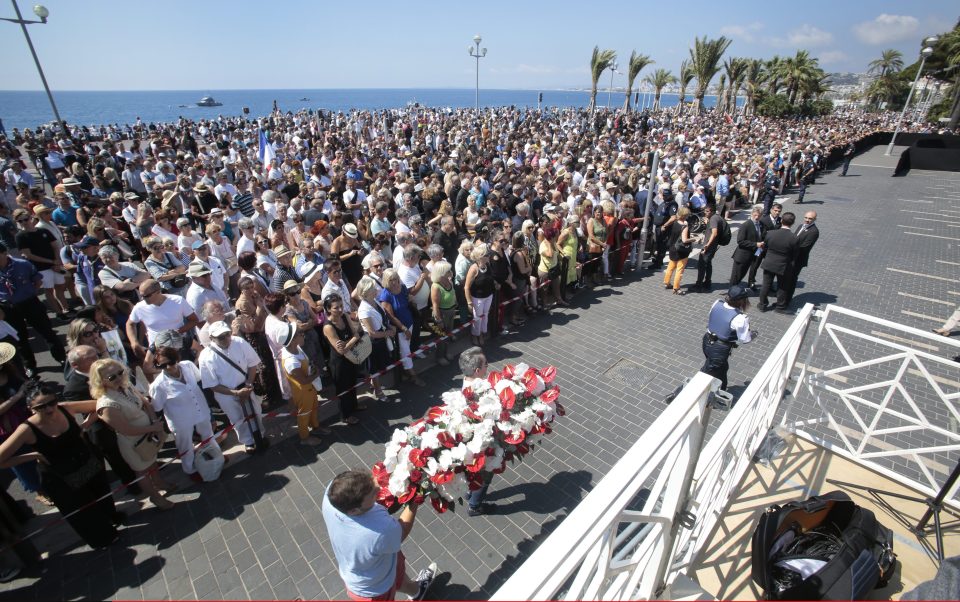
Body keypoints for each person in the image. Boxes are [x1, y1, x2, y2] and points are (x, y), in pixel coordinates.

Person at [0, 381, 121, 548]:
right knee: (84, 514)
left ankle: (111, 519)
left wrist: (85, 424)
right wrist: (32, 456)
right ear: (31, 408)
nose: (49, 409)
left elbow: (100, 404)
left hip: (87, 465)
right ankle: (103, 538)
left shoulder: (65, 408)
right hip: (61, 479)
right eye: (41, 407)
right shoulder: (26, 429)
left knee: (102, 498)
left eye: (52, 403)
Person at [321, 469, 437, 601]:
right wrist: (415, 498)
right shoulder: (379, 530)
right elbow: (402, 530)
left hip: (381, 559)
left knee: (397, 575)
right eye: (373, 495)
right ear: (354, 510)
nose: (378, 488)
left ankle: (417, 592)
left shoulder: (332, 492)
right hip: (374, 588)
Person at [91, 358, 175, 510]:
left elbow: (145, 402)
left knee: (153, 461)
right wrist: (152, 428)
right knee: (142, 470)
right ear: (101, 381)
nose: (118, 377)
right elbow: (125, 429)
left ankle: (160, 483)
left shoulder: (126, 385)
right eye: (112, 377)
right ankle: (155, 497)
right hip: (133, 443)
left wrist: (154, 421)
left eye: (120, 372)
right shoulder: (106, 404)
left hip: (149, 434)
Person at [149, 346, 221, 482]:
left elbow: (199, 379)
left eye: (171, 362)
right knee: (185, 445)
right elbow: (157, 406)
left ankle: (216, 456)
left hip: (200, 409)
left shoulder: (188, 365)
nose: (169, 367)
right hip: (180, 420)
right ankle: (189, 469)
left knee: (208, 434)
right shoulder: (158, 385)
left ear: (176, 359)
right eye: (163, 365)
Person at [198, 321, 266, 454]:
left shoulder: (239, 342)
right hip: (226, 394)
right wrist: (236, 393)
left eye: (227, 334)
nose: (225, 339)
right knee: (237, 418)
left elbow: (252, 364)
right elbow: (212, 385)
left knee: (256, 412)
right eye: (221, 337)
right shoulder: (205, 357)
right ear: (211, 338)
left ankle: (261, 435)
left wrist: (248, 385)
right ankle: (248, 442)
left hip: (246, 386)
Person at [0, 241, 67, 372]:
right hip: (9, 307)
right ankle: (30, 365)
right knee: (20, 338)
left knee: (47, 331)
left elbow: (37, 281)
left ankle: (61, 358)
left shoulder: (22, 264)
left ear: (4, 253)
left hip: (30, 302)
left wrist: (29, 294)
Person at [459, 346, 497, 516]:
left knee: (472, 471)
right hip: (482, 440)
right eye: (486, 364)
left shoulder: (467, 382)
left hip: (469, 438)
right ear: (477, 370)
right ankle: (475, 506)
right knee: (485, 473)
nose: (488, 367)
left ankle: (470, 492)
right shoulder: (480, 391)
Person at [279, 323, 330, 446]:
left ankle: (316, 427)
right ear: (292, 340)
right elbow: (304, 381)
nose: (303, 335)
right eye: (300, 334)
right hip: (302, 391)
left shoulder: (296, 348)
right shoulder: (291, 361)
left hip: (309, 389)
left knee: (313, 408)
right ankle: (305, 437)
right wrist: (317, 373)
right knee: (304, 414)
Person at [700, 285, 755, 391]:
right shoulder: (741, 318)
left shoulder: (717, 303)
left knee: (722, 368)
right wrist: (753, 334)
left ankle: (721, 391)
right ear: (741, 301)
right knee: (703, 375)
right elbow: (744, 339)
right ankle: (677, 394)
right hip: (720, 350)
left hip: (707, 341)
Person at [322, 293, 365, 425]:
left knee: (352, 383)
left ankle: (354, 406)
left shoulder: (345, 316)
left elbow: (354, 334)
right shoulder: (328, 327)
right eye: (336, 308)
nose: (340, 310)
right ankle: (346, 415)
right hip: (339, 363)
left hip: (350, 357)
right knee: (343, 389)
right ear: (329, 309)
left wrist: (348, 342)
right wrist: (355, 338)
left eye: (341, 306)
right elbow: (341, 350)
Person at [758, 212, 798, 313]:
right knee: (782, 286)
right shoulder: (794, 238)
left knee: (766, 284)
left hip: (769, 262)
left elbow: (765, 247)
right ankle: (780, 307)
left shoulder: (770, 233)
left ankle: (762, 305)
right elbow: (795, 255)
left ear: (782, 221)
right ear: (792, 223)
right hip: (783, 265)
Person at [730, 207, 765, 289]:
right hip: (742, 256)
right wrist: (756, 244)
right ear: (751, 214)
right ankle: (731, 294)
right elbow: (740, 241)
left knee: (741, 275)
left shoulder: (761, 225)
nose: (757, 217)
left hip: (751, 256)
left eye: (759, 215)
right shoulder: (746, 225)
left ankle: (735, 291)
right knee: (736, 276)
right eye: (755, 215)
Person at [662, 207, 694, 295]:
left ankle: (667, 282)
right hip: (681, 250)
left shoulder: (674, 222)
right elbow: (684, 240)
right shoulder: (684, 226)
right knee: (679, 269)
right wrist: (694, 239)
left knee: (671, 266)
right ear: (685, 215)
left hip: (672, 248)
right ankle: (676, 288)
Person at [693, 204, 721, 293]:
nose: (705, 213)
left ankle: (698, 285)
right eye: (705, 211)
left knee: (702, 265)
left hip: (709, 246)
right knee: (708, 264)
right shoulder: (715, 218)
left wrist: (706, 245)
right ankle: (707, 282)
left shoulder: (713, 219)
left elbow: (714, 233)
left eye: (707, 211)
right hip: (712, 246)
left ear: (712, 211)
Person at [791, 210, 819, 296]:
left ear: (815, 219)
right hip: (791, 257)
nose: (807, 220)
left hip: (798, 259)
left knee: (791, 280)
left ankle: (786, 300)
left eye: (810, 218)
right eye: (806, 217)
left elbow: (804, 247)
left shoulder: (814, 232)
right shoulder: (801, 226)